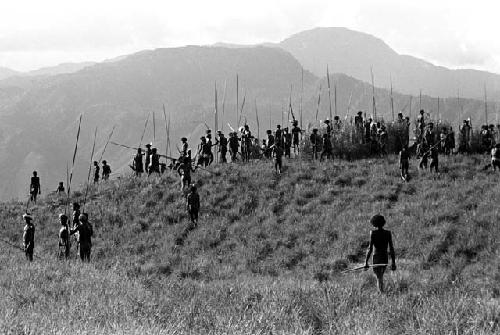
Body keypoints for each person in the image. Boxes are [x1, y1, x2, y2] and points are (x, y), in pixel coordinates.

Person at [364, 214, 396, 293]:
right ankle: (381, 292)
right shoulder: (388, 233)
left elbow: (370, 249)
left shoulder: (373, 233)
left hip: (376, 257)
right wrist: (393, 262)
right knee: (380, 276)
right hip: (384, 257)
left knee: (379, 277)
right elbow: (391, 248)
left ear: (374, 223)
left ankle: (382, 294)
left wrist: (366, 262)